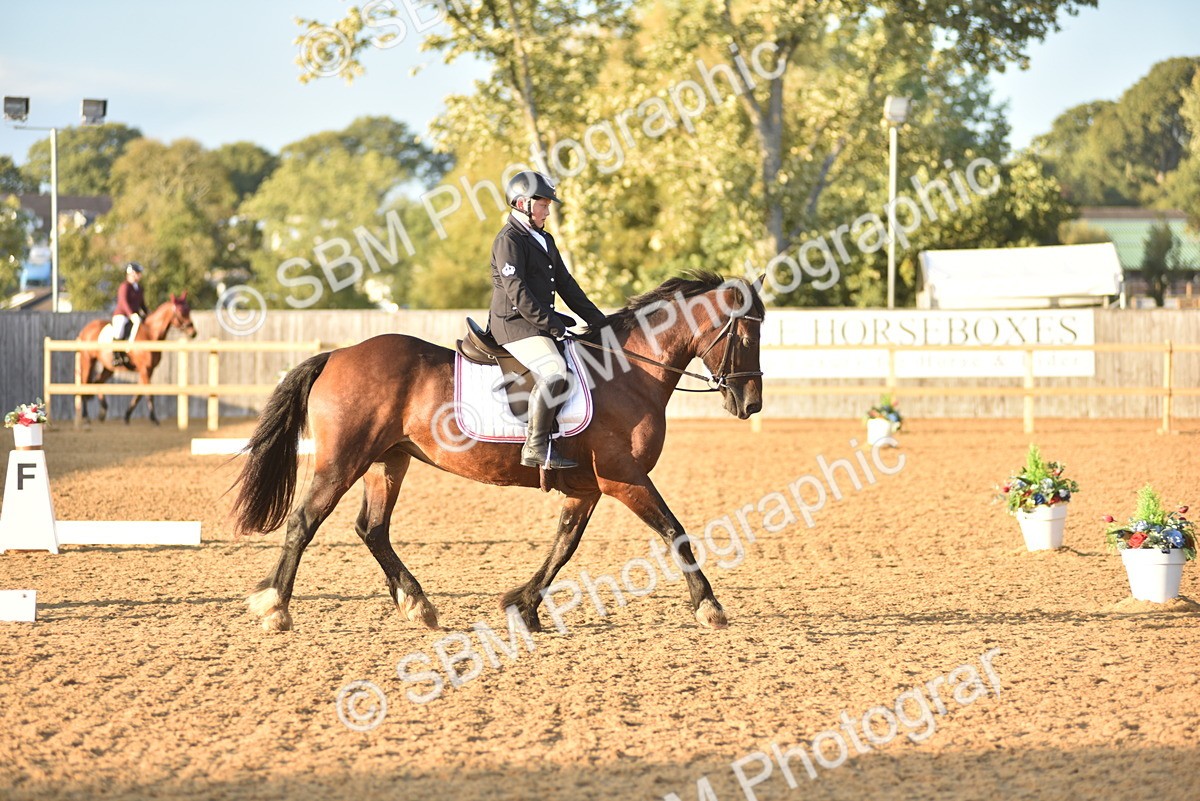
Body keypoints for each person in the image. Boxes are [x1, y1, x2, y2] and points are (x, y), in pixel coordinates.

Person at [488, 170, 607, 470]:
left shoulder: (544, 239)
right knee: (555, 371)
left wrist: (601, 322)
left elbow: (567, 286)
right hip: (514, 325)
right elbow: (518, 293)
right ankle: (535, 446)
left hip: (536, 323)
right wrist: (553, 324)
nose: (548, 210)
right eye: (543, 204)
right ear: (523, 203)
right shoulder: (508, 240)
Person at [112, 262, 148, 369]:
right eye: (137, 273)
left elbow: (142, 304)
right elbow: (124, 302)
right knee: (119, 331)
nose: (139, 275)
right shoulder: (124, 286)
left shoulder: (139, 288)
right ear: (131, 273)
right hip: (122, 315)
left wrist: (148, 314)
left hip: (135, 316)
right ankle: (116, 355)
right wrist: (131, 314)